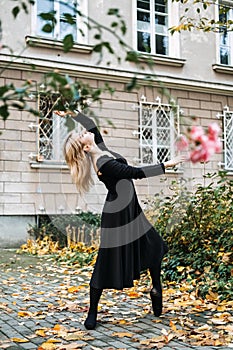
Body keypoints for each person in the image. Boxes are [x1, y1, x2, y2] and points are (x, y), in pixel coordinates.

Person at [55, 109, 186, 330]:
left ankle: (156, 288)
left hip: (131, 209)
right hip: (118, 217)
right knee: (106, 261)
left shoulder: (101, 149)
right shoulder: (104, 163)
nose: (84, 131)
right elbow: (135, 172)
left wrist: (71, 113)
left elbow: (90, 123)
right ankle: (92, 312)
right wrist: (169, 164)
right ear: (86, 147)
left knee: (154, 244)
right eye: (81, 135)